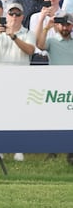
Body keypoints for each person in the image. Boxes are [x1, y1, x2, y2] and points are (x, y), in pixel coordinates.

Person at [0, 2, 35, 162]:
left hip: (20, 77)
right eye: (11, 14)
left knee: (19, 115)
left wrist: (13, 36)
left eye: (17, 14)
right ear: (7, 16)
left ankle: (18, 149)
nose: (14, 17)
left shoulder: (28, 33)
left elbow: (30, 50)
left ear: (22, 17)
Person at [36, 11, 73, 165]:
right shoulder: (51, 41)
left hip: (71, 86)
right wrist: (46, 26)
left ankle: (70, 153)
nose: (65, 27)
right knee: (55, 120)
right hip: (56, 86)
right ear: (57, 25)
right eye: (62, 24)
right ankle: (53, 150)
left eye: (68, 24)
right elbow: (39, 44)